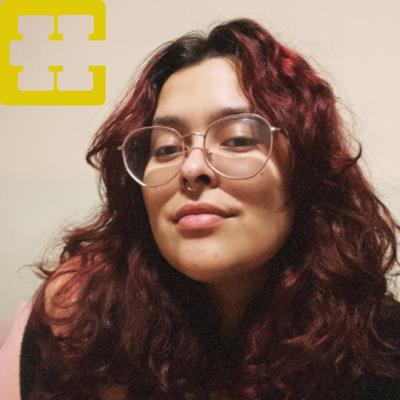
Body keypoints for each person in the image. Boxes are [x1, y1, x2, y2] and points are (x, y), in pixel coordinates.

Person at [1, 17, 400, 400]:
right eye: (166, 148)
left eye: (238, 140)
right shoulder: (75, 327)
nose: (191, 169)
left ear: (307, 171)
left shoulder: (379, 350)